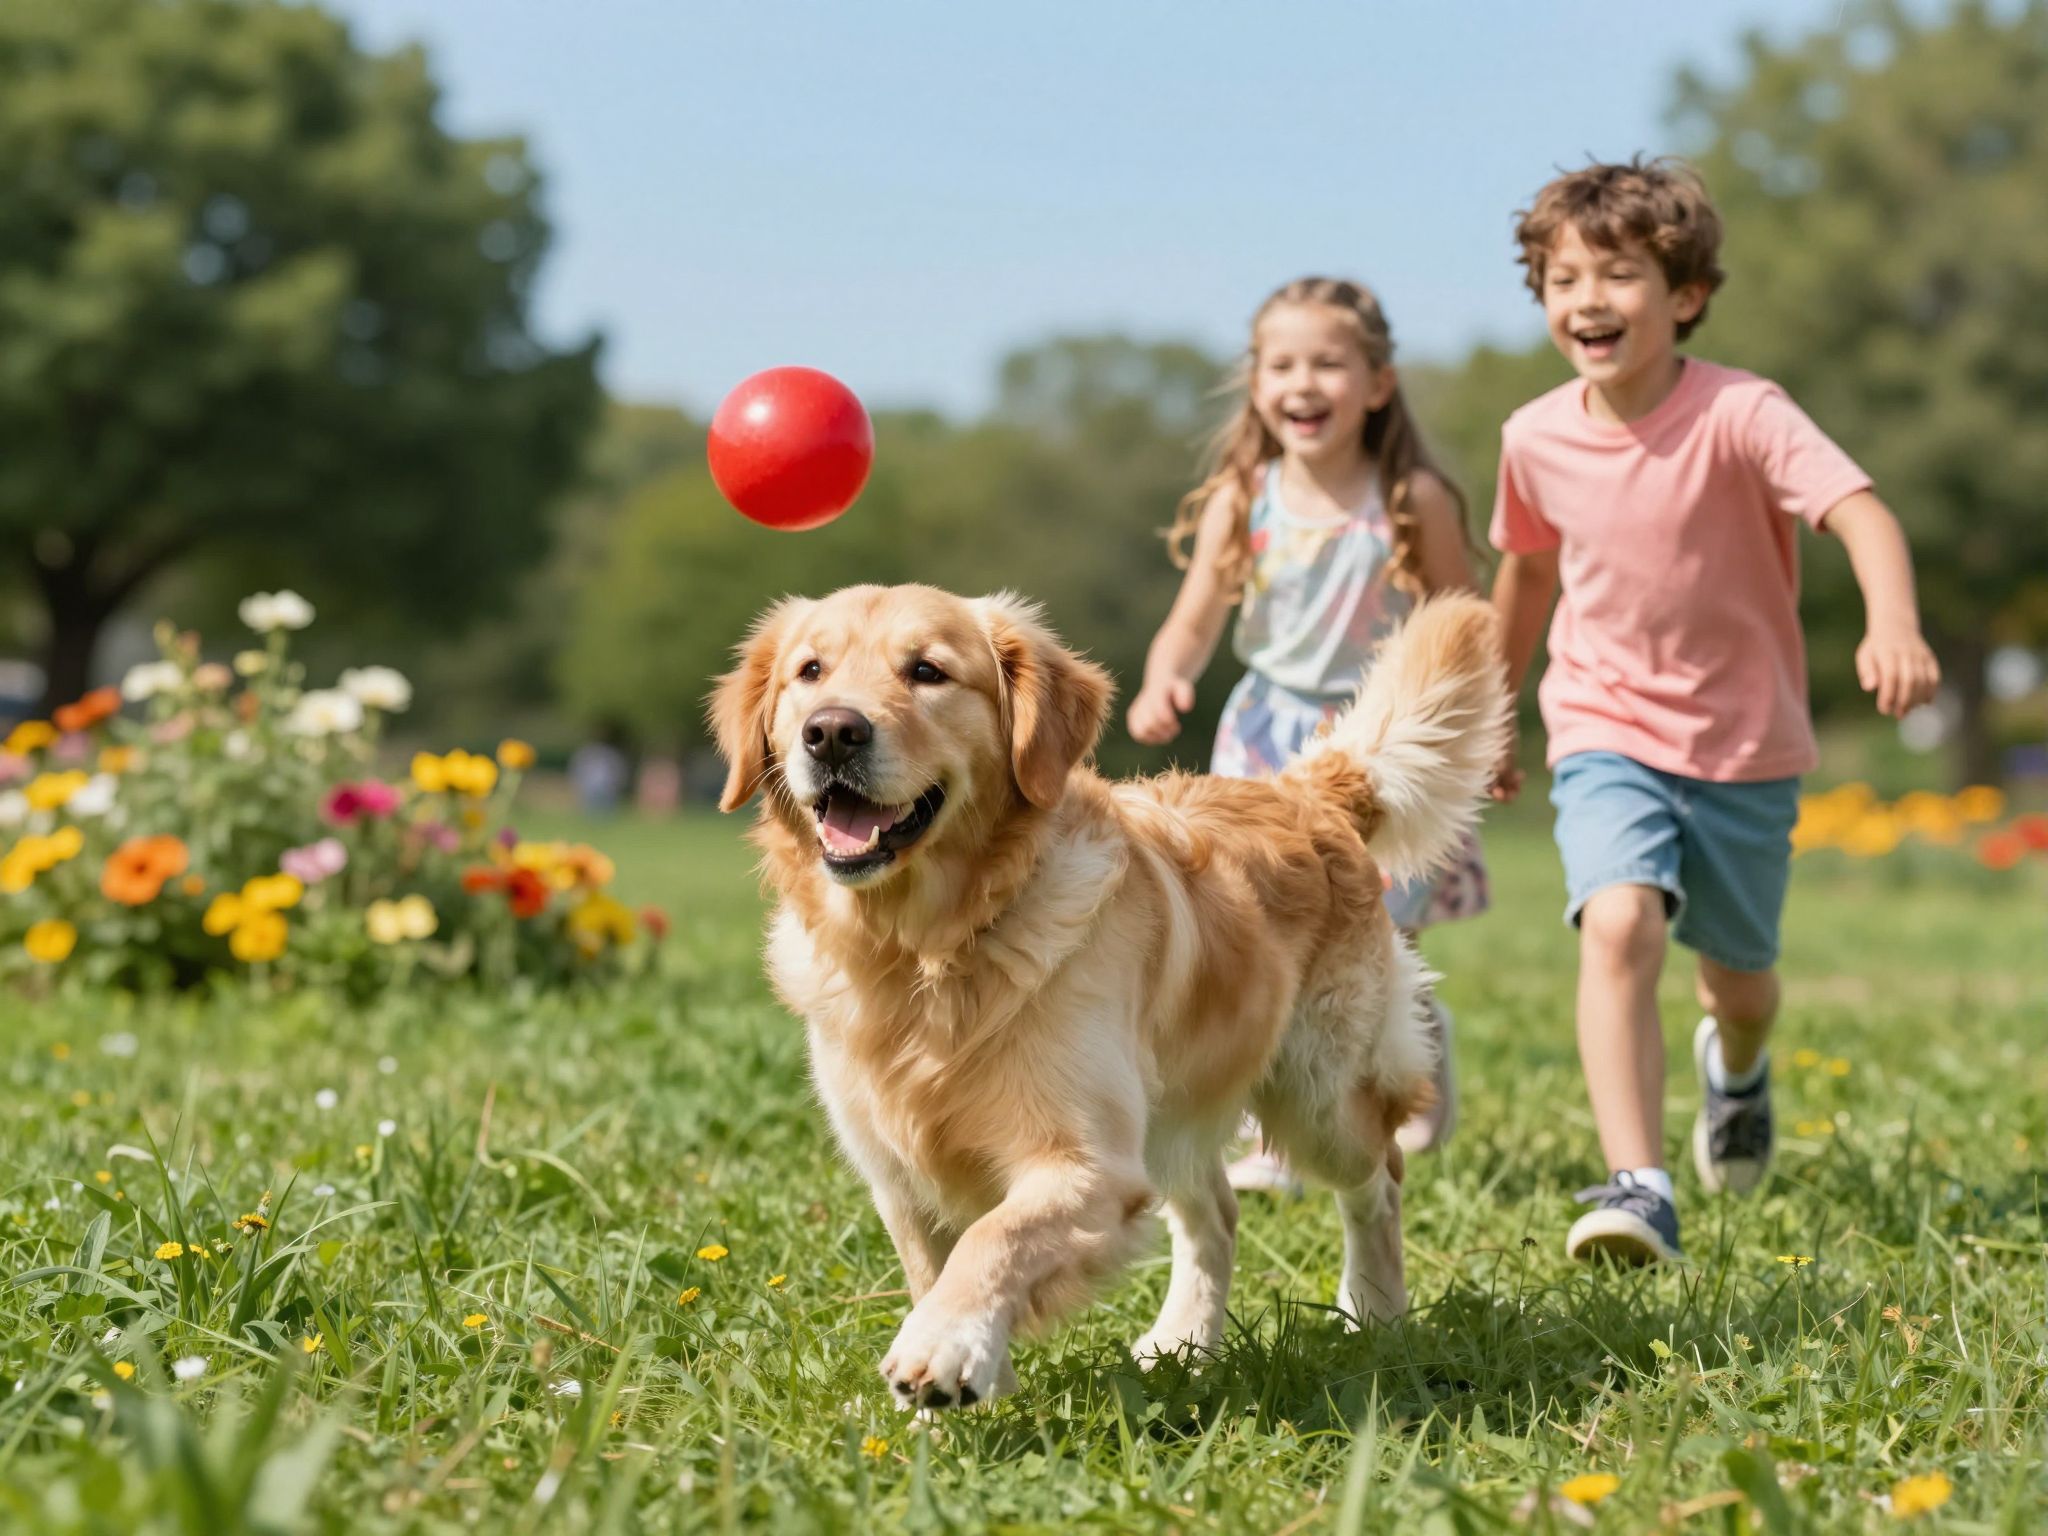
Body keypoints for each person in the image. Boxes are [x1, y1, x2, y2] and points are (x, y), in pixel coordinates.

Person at [1488, 158, 1940, 1264]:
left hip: (1743, 743)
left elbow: (1861, 513)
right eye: (1560, 278)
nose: (1585, 299)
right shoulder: (1532, 438)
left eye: (1618, 274)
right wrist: (1492, 714)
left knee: (1736, 978)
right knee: (1618, 920)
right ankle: (1637, 1183)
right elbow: (1525, 583)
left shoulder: (1741, 412)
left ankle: (1734, 1066)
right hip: (1601, 723)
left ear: (1683, 293)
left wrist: (1891, 621)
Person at [1129, 275, 1490, 1191]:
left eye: (1329, 363)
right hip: (1265, 734)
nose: (1303, 383)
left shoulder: (1411, 498)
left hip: (1380, 741)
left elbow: (1461, 625)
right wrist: (1166, 676)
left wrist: (1492, 736)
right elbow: (1195, 618)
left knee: (1373, 933)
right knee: (1260, 921)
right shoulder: (1242, 500)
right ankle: (1270, 1134)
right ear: (1255, 383)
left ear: (1377, 382)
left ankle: (1404, 1071)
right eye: (1281, 363)